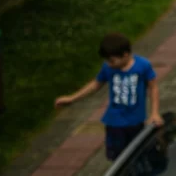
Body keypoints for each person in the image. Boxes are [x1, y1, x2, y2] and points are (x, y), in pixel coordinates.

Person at [55, 33, 162, 161]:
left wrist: (154, 113)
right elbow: (95, 84)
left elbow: (153, 87)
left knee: (138, 154)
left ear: (125, 55)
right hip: (114, 122)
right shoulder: (108, 68)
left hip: (135, 121)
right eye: (107, 61)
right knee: (118, 157)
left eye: (112, 60)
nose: (109, 64)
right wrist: (72, 98)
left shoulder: (143, 65)